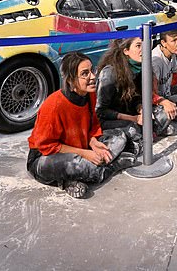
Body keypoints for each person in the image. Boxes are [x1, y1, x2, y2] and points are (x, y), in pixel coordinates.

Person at [27, 52, 137, 199]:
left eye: (92, 70)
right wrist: (84, 153)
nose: (93, 76)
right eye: (85, 74)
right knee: (80, 165)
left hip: (81, 146)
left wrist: (94, 142)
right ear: (71, 80)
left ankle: (78, 176)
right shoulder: (53, 105)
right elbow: (46, 146)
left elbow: (92, 126)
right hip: (45, 158)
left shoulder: (89, 95)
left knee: (120, 137)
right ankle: (111, 166)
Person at [96, 37, 176, 138]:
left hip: (131, 113)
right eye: (138, 46)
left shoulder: (142, 68)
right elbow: (101, 111)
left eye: (145, 45)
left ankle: (148, 131)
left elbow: (137, 98)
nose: (143, 49)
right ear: (126, 51)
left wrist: (142, 110)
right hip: (112, 119)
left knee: (163, 113)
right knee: (132, 129)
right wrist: (133, 118)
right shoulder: (110, 73)